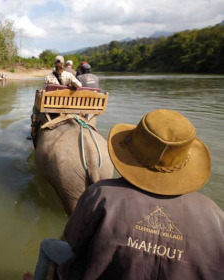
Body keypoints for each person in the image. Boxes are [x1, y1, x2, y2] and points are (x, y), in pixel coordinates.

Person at [24, 109, 224, 280]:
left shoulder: (101, 195)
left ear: (130, 151)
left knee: (49, 245)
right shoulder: (215, 215)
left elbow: (74, 244)